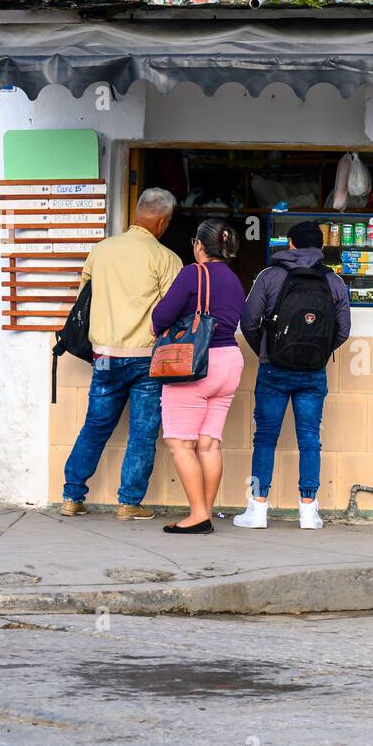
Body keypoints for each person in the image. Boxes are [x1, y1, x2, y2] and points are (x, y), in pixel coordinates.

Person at [61, 188, 182, 520]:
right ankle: (129, 503)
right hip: (147, 359)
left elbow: (85, 291)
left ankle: (72, 497)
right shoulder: (166, 258)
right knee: (142, 432)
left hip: (104, 356)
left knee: (95, 425)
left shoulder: (102, 251)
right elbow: (173, 310)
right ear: (161, 221)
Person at [235, 220, 350, 529]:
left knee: (265, 438)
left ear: (290, 244)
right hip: (313, 372)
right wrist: (321, 352)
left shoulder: (270, 276)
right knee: (310, 438)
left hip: (274, 368)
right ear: (321, 248)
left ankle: (258, 509)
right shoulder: (334, 282)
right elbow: (343, 330)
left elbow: (248, 320)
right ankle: (309, 512)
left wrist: (264, 348)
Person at [151, 219, 246, 535]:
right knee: (208, 444)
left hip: (195, 365)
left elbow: (162, 317)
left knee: (180, 443)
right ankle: (203, 513)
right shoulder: (234, 279)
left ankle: (197, 515)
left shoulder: (193, 273)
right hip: (230, 362)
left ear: (199, 245)